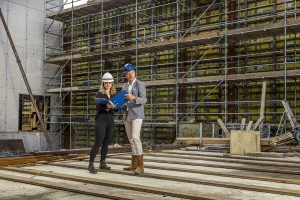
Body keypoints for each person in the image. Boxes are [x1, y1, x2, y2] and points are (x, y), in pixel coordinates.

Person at [88, 72, 116, 174]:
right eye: (106, 83)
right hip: (101, 119)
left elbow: (116, 109)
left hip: (110, 120)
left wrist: (114, 107)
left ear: (112, 83)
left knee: (106, 142)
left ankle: (102, 163)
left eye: (109, 83)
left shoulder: (114, 94)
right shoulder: (100, 94)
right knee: (98, 142)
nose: (108, 85)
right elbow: (99, 108)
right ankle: (91, 164)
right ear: (103, 84)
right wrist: (107, 107)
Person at [122, 63, 147, 175]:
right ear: (125, 75)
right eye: (127, 73)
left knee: (136, 138)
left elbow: (144, 100)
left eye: (131, 72)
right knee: (131, 140)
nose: (129, 75)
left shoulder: (140, 84)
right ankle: (134, 164)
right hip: (127, 114)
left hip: (137, 114)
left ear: (134, 72)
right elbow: (124, 102)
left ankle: (141, 166)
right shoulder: (124, 87)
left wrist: (134, 98)